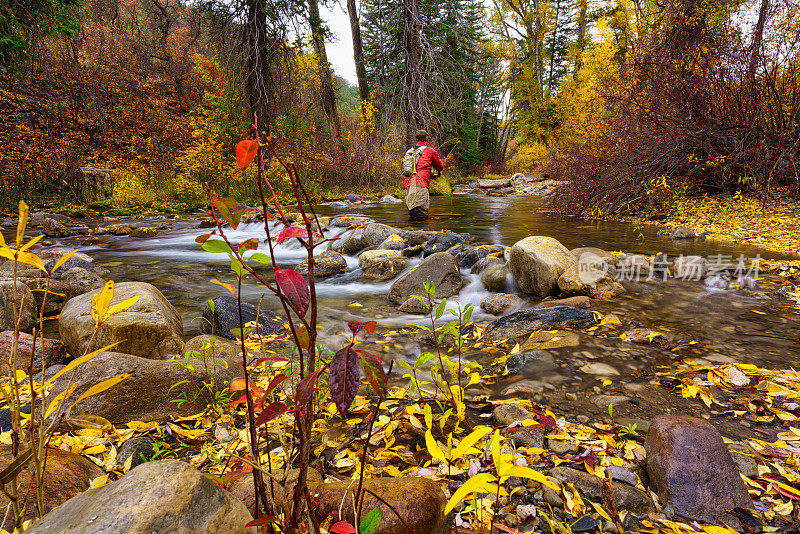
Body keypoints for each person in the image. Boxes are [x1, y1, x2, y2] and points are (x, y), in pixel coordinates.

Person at [402, 129, 444, 220]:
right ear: (427, 139)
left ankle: (410, 232)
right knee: (422, 214)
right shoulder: (430, 151)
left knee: (412, 213)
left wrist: (430, 175)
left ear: (416, 139)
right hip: (421, 184)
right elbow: (440, 167)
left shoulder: (409, 151)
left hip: (408, 185)